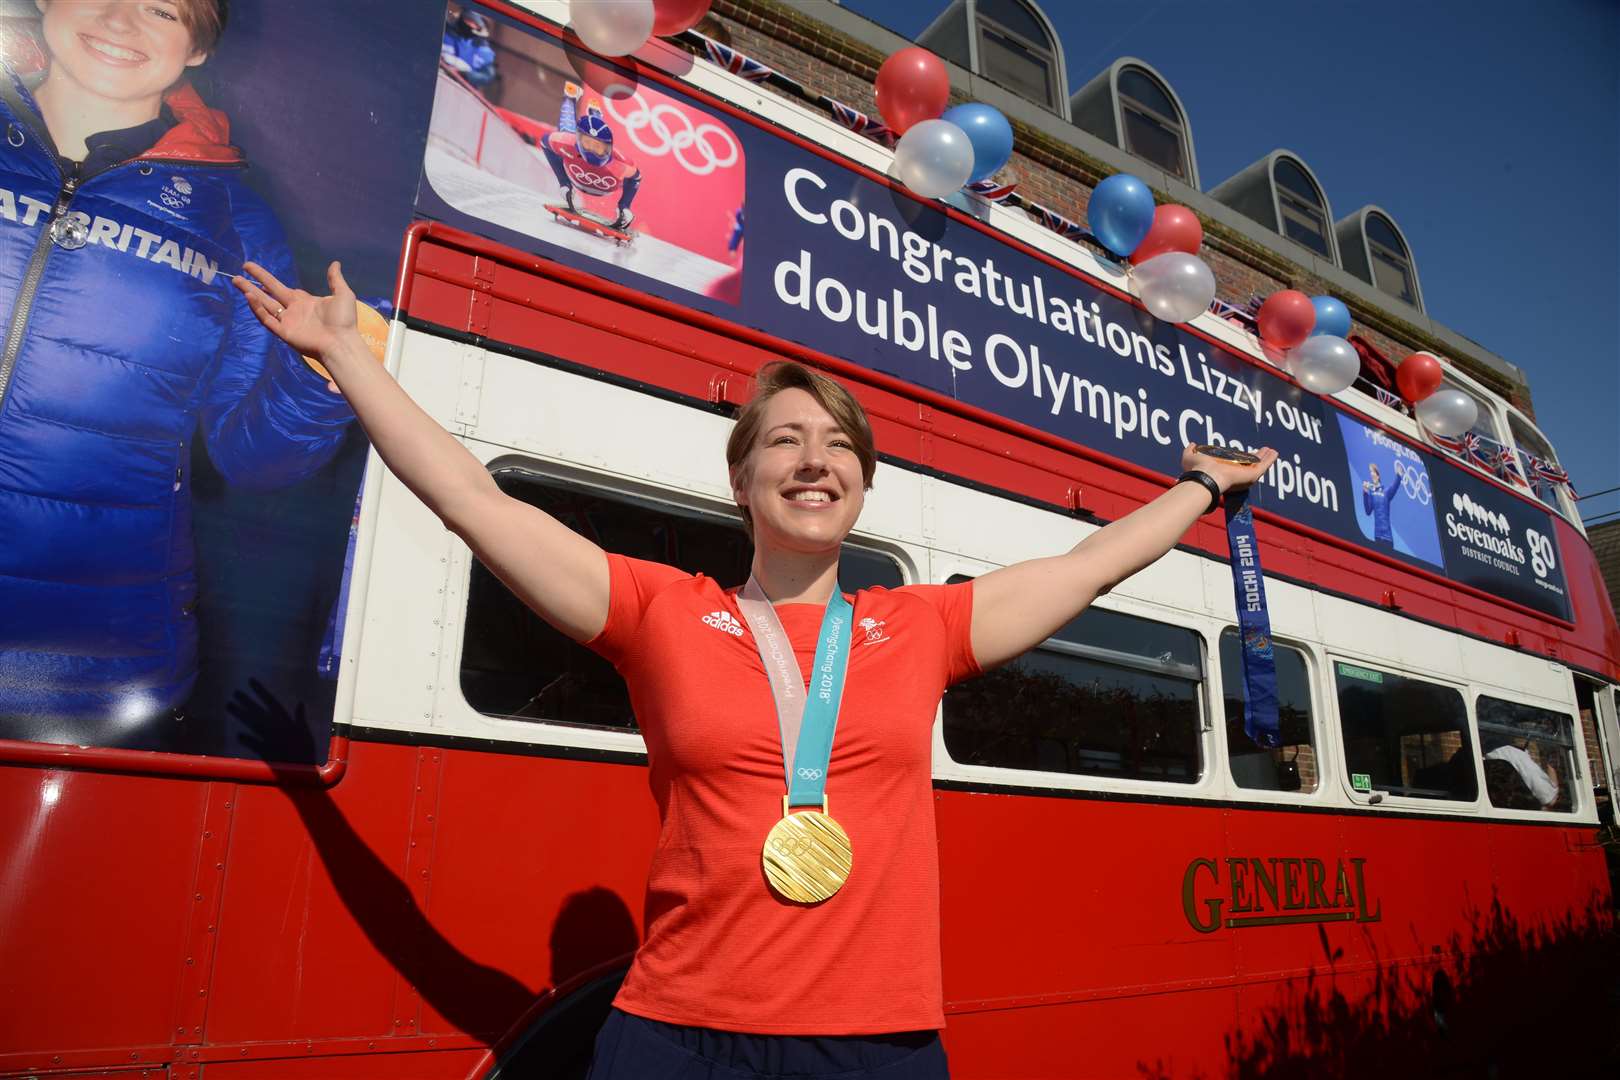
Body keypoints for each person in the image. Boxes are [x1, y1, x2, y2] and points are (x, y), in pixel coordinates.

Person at [233, 260, 1276, 1077]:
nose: (812, 460)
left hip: (875, 1048)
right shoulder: (656, 610)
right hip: (675, 1040)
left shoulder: (922, 627)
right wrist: (351, 359)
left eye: (837, 445)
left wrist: (1202, 489)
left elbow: (1091, 563)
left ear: (861, 481)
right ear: (743, 479)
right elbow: (477, 501)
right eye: (783, 440)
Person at [0, 1, 354, 732]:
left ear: (198, 48)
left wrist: (322, 375)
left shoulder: (236, 221)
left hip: (91, 672)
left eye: (163, 8)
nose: (121, 19)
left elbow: (252, 461)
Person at [540, 81, 641, 231]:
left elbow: (636, 178)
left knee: (585, 132)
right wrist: (563, 181)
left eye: (599, 148)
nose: (593, 150)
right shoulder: (567, 142)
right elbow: (544, 143)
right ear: (578, 140)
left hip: (581, 176)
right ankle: (571, 97)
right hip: (580, 173)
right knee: (566, 130)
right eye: (588, 144)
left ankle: (594, 113)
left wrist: (624, 206)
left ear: (609, 147)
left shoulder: (621, 163)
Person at [1360, 460, 1408, 544]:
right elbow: (1368, 511)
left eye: (1373, 472)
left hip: (1388, 537)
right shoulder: (1371, 493)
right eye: (1370, 472)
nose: (1371, 474)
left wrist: (1399, 475)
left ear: (1378, 476)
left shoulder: (1386, 492)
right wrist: (1365, 493)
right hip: (1377, 536)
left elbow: (1394, 486)